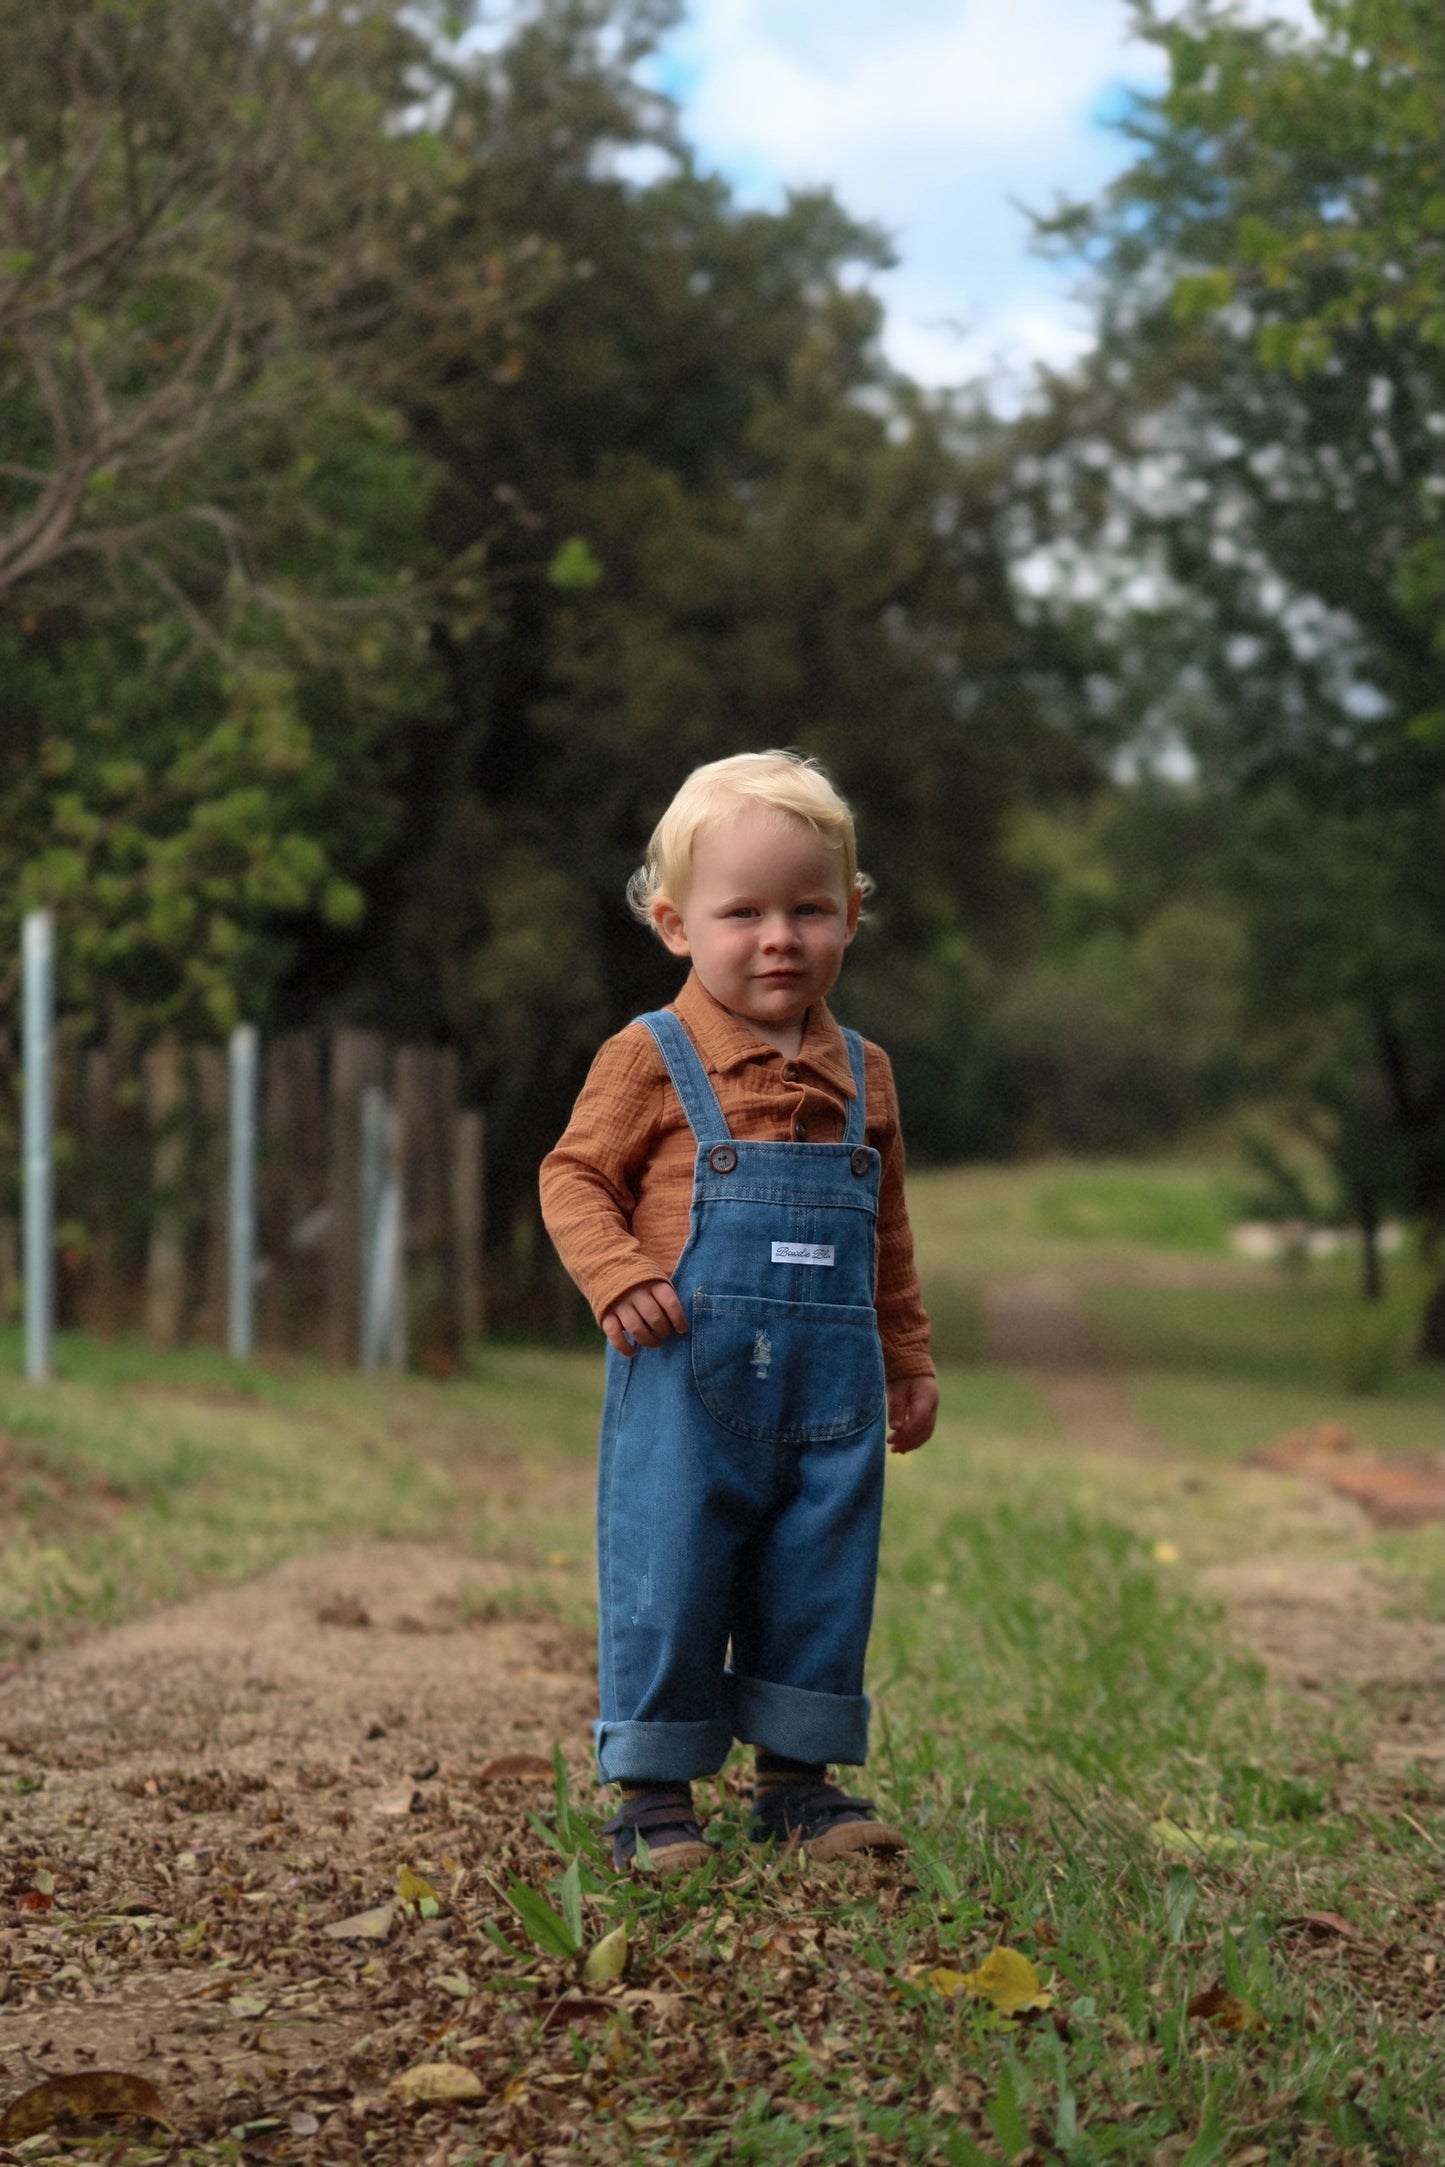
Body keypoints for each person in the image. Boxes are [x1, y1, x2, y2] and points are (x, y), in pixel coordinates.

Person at [540, 750, 938, 1871]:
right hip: (684, 1373)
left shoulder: (865, 1073)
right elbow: (571, 1175)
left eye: (808, 908)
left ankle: (798, 1787)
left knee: (818, 1568)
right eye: (743, 911)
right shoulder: (649, 1058)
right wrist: (617, 1273)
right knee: (669, 1566)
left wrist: (905, 1354)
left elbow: (888, 1232)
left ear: (850, 916)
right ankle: (654, 1796)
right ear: (674, 923)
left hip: (833, 1379)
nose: (778, 936)